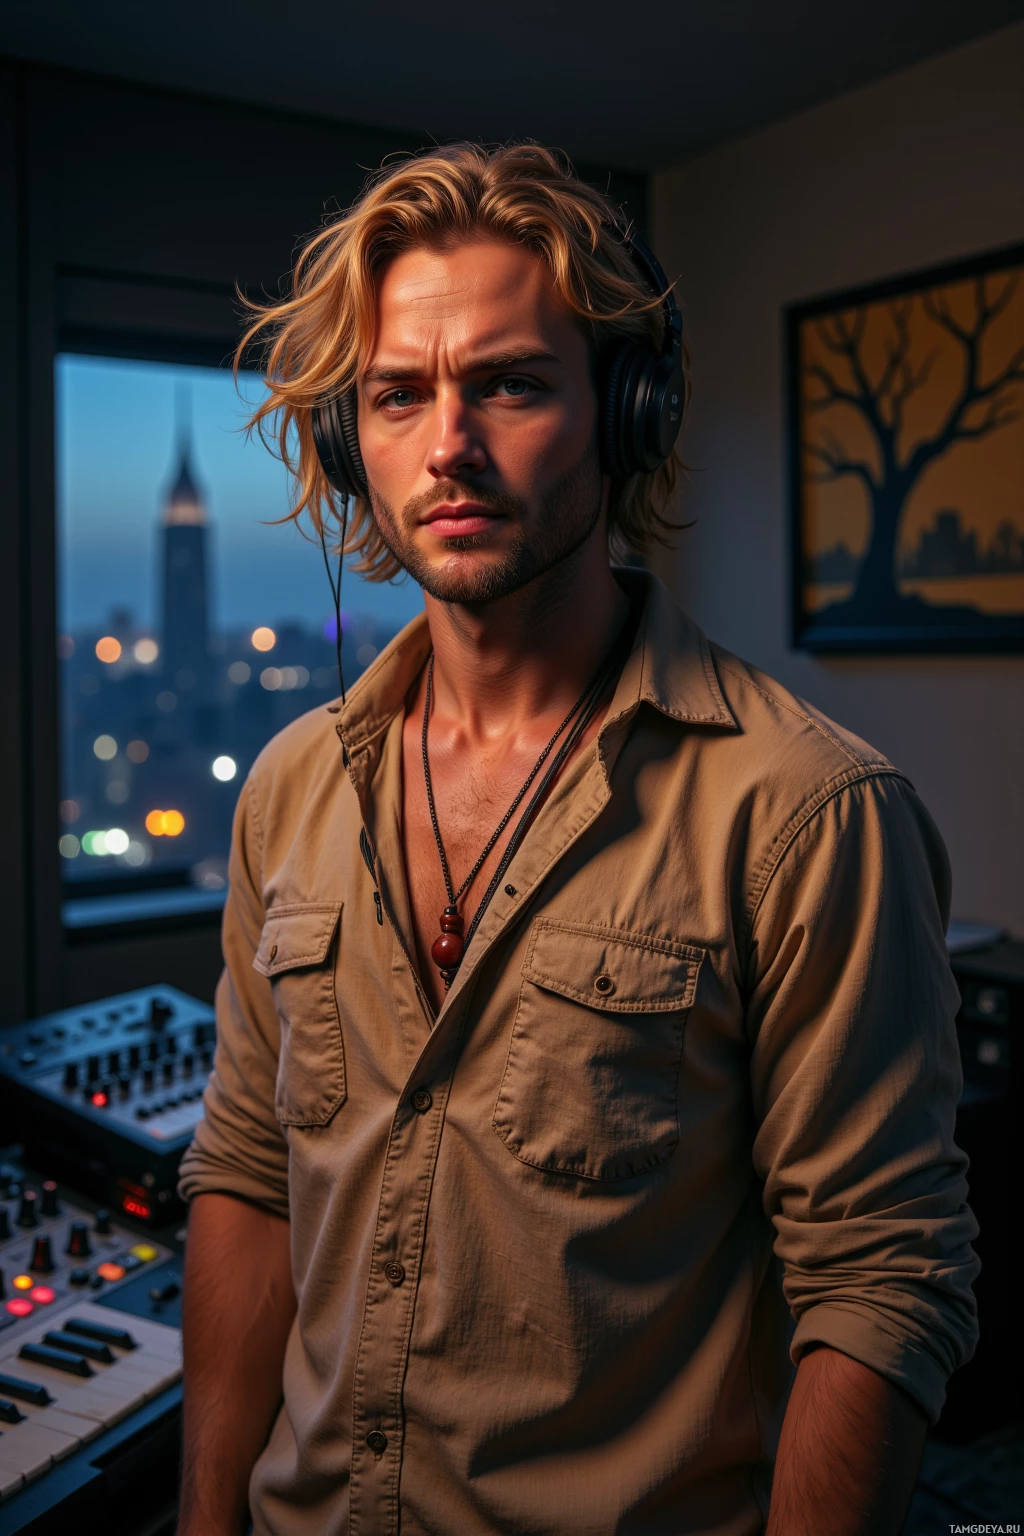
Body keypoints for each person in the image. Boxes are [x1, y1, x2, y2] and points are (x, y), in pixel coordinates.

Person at [176, 143, 978, 1536]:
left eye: (510, 384)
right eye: (398, 396)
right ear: (343, 442)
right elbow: (248, 1181)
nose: (449, 447)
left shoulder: (805, 811)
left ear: (629, 412)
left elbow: (881, 1281)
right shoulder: (289, 791)